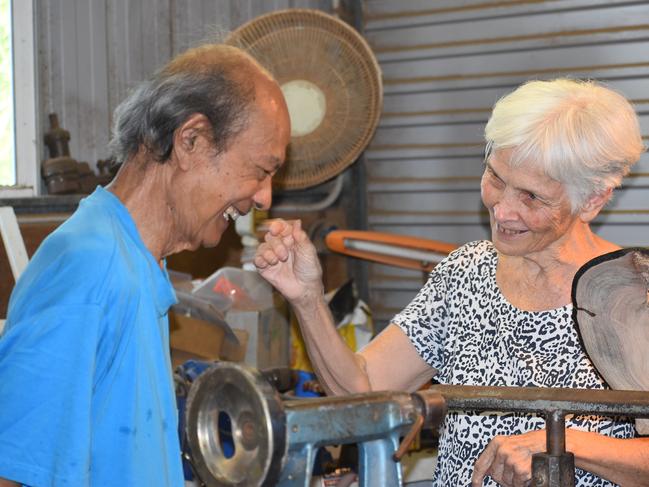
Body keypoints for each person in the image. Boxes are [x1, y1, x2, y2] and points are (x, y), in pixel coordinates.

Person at [254, 79, 649, 487]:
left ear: (592, 200)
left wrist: (564, 442)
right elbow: (364, 393)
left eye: (532, 197)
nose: (504, 210)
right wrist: (307, 299)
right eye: (496, 178)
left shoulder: (634, 295)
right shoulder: (466, 273)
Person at [0, 44, 290, 486]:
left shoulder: (134, 261)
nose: (266, 197)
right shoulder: (90, 268)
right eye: (260, 170)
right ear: (191, 141)